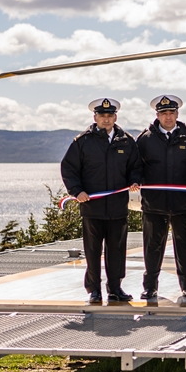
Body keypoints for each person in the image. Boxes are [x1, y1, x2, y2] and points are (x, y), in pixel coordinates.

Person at [60, 97, 141, 303]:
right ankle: (94, 290)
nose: (106, 119)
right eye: (102, 115)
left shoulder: (126, 141)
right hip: (92, 208)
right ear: (95, 117)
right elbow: (69, 168)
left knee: (117, 251)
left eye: (110, 115)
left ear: (115, 117)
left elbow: (136, 167)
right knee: (93, 252)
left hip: (117, 207)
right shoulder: (83, 141)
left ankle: (115, 288)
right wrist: (77, 191)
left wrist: (134, 181)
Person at [135, 94, 186, 302]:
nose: (168, 116)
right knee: (152, 248)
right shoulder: (145, 139)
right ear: (157, 115)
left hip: (183, 203)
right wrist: (135, 180)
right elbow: (136, 166)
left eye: (172, 112)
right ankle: (150, 287)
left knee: (185, 247)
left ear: (177, 114)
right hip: (154, 204)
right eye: (164, 113)